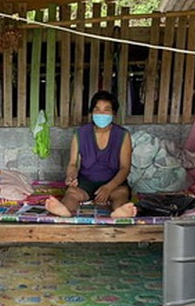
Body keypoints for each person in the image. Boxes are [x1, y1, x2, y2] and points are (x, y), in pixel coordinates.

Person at [45, 91, 136, 219]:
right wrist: (71, 177)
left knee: (121, 194)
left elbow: (125, 168)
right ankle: (64, 210)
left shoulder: (122, 135)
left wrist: (108, 187)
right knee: (71, 193)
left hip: (113, 183)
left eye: (106, 110)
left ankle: (120, 212)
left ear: (114, 113)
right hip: (86, 182)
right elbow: (73, 164)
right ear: (92, 112)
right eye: (97, 110)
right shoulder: (81, 133)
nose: (101, 114)